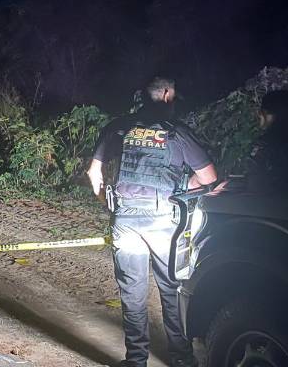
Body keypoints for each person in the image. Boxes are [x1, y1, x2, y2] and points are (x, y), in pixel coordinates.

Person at [86, 77, 217, 367]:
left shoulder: (119, 127)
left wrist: (109, 205)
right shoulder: (177, 133)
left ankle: (136, 360)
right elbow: (209, 179)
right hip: (164, 223)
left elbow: (93, 174)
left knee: (132, 292)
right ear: (168, 95)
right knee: (171, 289)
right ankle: (182, 359)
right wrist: (186, 187)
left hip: (126, 221)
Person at [244, 90, 288, 192]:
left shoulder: (263, 144)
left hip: (269, 204)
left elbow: (254, 182)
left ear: (268, 114)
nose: (259, 115)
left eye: (262, 110)